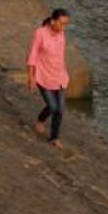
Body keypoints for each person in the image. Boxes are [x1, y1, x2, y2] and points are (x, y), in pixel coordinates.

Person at [26, 8, 71, 148]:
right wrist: (31, 77)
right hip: (43, 75)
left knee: (60, 109)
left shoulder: (61, 34)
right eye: (61, 24)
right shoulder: (40, 33)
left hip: (58, 76)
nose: (63, 27)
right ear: (53, 21)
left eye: (65, 24)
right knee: (52, 107)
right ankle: (40, 121)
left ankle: (54, 138)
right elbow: (32, 55)